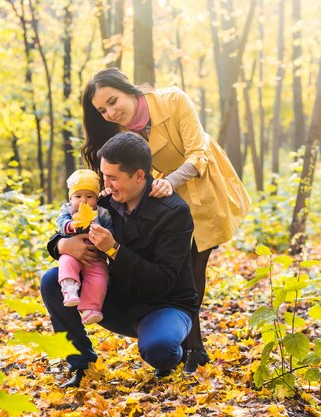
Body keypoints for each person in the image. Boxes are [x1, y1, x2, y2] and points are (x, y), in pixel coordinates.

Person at [77, 68, 251, 373]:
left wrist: (170, 181)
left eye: (113, 101)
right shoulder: (120, 134)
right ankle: (182, 340)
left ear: (128, 89)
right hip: (162, 200)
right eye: (102, 110)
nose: (110, 112)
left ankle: (193, 346)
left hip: (202, 186)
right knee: (176, 265)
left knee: (195, 266)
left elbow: (199, 153)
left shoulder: (173, 100)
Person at [41, 132, 198, 388]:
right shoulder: (104, 203)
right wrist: (62, 244)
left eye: (113, 178)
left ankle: (173, 347)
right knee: (51, 280)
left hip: (164, 304)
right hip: (118, 299)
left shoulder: (174, 212)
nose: (107, 184)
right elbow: (63, 225)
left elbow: (163, 281)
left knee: (160, 350)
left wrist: (113, 249)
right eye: (104, 176)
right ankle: (82, 362)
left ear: (139, 176)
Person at [55, 169, 113, 325]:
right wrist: (70, 225)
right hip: (73, 252)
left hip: (95, 256)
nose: (83, 201)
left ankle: (90, 308)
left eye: (89, 196)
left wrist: (101, 232)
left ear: (96, 197)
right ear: (71, 197)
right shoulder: (68, 210)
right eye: (78, 196)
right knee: (66, 262)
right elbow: (60, 223)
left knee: (100, 276)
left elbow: (110, 230)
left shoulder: (102, 213)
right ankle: (69, 288)